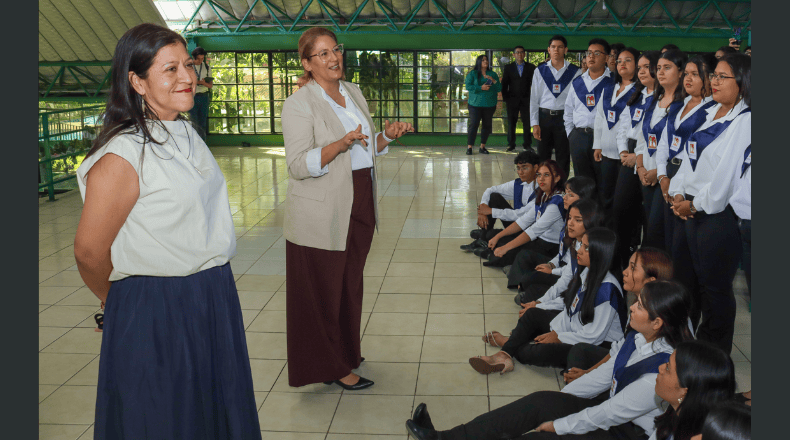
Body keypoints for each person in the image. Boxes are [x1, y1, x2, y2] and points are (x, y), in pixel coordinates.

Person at [73, 23, 261, 438]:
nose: (188, 77)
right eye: (170, 69)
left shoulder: (182, 130)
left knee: (212, 413)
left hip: (211, 296)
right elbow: (89, 253)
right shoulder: (123, 155)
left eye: (188, 65)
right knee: (165, 419)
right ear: (137, 82)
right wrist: (117, 301)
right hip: (158, 307)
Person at [281, 27, 414, 390]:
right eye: (322, 54)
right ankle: (331, 366)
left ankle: (345, 351)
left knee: (348, 282)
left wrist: (386, 136)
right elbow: (296, 164)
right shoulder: (298, 103)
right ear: (307, 64)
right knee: (323, 287)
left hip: (359, 198)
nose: (333, 58)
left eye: (335, 50)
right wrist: (338, 145)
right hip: (321, 207)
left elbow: (365, 146)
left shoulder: (352, 91)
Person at [406, 279, 694, 440]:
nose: (632, 307)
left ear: (657, 323)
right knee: (540, 402)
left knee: (541, 437)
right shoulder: (639, 335)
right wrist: (559, 403)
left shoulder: (662, 369)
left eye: (640, 306)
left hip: (628, 433)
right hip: (611, 408)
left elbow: (610, 414)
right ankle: (446, 439)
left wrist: (560, 424)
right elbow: (605, 375)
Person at [669, 53, 751, 353]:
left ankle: (714, 364)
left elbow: (724, 179)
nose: (714, 81)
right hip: (691, 209)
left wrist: (693, 204)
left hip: (716, 217)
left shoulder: (745, 121)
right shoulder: (709, 112)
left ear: (742, 83)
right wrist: (678, 192)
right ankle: (688, 352)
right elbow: (689, 159)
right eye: (713, 75)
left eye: (722, 77)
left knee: (714, 294)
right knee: (688, 285)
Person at [470, 227, 624, 374]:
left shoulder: (607, 291)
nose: (579, 250)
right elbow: (570, 306)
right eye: (581, 245)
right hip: (574, 329)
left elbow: (594, 336)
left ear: (601, 253)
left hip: (592, 345)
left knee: (533, 352)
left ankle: (510, 343)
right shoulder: (588, 272)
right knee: (532, 315)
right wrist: (545, 313)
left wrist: (559, 337)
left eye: (586, 248)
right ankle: (505, 355)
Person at [563, 248, 675, 380]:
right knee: (579, 351)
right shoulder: (637, 305)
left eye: (633, 268)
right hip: (620, 365)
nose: (624, 272)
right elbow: (620, 350)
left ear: (650, 281)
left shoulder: (653, 317)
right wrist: (588, 372)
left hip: (632, 379)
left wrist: (588, 376)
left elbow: (621, 364)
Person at [611, 50, 660, 271]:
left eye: (645, 67)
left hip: (648, 158)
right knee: (620, 210)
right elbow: (623, 125)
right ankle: (621, 261)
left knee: (649, 218)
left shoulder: (664, 98)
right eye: (639, 67)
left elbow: (653, 134)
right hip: (628, 155)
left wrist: (637, 158)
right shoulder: (636, 94)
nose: (641, 72)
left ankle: (647, 267)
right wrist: (623, 152)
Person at [508, 176, 597, 294]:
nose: (564, 198)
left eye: (570, 195)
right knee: (525, 256)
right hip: (561, 264)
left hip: (571, 274)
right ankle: (521, 283)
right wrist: (551, 265)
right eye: (565, 193)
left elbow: (574, 269)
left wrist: (552, 271)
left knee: (532, 282)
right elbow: (562, 254)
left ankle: (524, 284)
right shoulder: (568, 217)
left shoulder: (586, 230)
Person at [510, 197, 602, 309]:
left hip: (574, 301)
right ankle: (521, 285)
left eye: (577, 220)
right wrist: (551, 267)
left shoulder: (589, 251)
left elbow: (570, 285)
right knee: (529, 273)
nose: (570, 223)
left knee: (533, 290)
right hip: (567, 285)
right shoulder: (576, 242)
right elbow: (567, 270)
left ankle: (524, 288)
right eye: (570, 218)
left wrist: (540, 304)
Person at [636, 50, 686, 249]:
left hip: (666, 176)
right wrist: (640, 168)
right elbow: (642, 137)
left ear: (681, 72)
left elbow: (679, 146)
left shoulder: (684, 105)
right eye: (658, 68)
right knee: (649, 226)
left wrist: (659, 172)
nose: (661, 72)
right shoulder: (653, 102)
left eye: (667, 67)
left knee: (659, 233)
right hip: (645, 174)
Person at [479, 160, 566, 268]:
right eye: (539, 175)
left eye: (546, 175)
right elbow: (524, 220)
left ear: (557, 178)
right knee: (496, 238)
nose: (541, 179)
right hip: (538, 239)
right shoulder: (543, 195)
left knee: (514, 252)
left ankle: (508, 262)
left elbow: (533, 230)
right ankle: (501, 256)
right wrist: (498, 236)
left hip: (550, 246)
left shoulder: (556, 202)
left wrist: (506, 247)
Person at [649, 341, 736, 440]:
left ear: (684, 391)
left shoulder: (696, 436)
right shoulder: (680, 410)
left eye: (668, 368)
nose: (661, 368)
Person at [593, 47, 639, 223]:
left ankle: (628, 239)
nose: (622, 64)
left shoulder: (640, 92)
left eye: (628, 60)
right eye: (619, 61)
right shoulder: (608, 89)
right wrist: (598, 144)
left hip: (626, 156)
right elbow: (599, 117)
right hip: (606, 152)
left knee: (625, 201)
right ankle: (606, 233)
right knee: (606, 195)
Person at [462, 150, 540, 252]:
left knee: (492, 234)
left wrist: (490, 211)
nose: (520, 172)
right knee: (494, 196)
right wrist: (483, 209)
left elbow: (521, 215)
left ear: (535, 167)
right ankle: (483, 238)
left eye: (525, 168)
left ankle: (485, 236)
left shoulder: (542, 190)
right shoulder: (518, 183)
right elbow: (490, 190)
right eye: (518, 168)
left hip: (529, 231)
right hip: (516, 225)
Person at [530, 35, 581, 177]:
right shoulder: (539, 71)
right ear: (548, 50)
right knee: (542, 157)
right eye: (553, 47)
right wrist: (535, 124)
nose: (556, 50)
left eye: (560, 47)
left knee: (563, 156)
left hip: (564, 119)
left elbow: (577, 100)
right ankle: (543, 188)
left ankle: (561, 190)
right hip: (544, 117)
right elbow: (534, 99)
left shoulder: (575, 72)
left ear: (566, 50)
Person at [565, 38, 614, 184]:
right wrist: (572, 136)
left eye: (597, 53)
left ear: (606, 58)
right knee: (581, 183)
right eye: (589, 53)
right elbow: (568, 111)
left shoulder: (614, 82)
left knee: (604, 182)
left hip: (605, 139)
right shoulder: (577, 82)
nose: (591, 57)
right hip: (579, 138)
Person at [502, 46, 537, 152]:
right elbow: (504, 84)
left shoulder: (531, 67)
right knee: (511, 122)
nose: (520, 54)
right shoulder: (508, 67)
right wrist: (506, 98)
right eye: (517, 52)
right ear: (514, 55)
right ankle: (511, 144)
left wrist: (534, 99)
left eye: (522, 52)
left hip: (527, 100)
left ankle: (527, 144)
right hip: (512, 100)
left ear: (524, 54)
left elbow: (535, 84)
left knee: (527, 123)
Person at [465, 54, 502, 155]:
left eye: (487, 60)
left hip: (489, 105)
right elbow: (468, 86)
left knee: (486, 126)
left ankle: (482, 147)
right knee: (473, 125)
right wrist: (480, 88)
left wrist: (493, 80)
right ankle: (470, 147)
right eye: (483, 60)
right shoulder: (472, 73)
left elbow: (499, 88)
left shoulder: (493, 74)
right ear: (479, 62)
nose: (486, 62)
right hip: (474, 105)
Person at [188, 46, 212, 141]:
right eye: (199, 59)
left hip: (204, 96)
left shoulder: (206, 67)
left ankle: (203, 144)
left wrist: (203, 83)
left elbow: (210, 85)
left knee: (203, 122)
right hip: (192, 96)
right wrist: (197, 82)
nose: (201, 61)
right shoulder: (188, 67)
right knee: (194, 121)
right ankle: (194, 144)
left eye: (202, 58)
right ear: (194, 58)